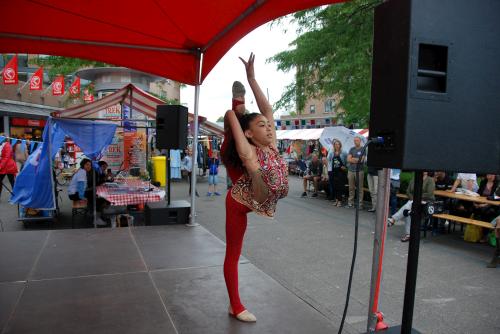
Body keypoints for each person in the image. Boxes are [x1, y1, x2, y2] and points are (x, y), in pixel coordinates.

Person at [220, 53, 289, 323]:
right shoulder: (248, 149)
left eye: (269, 126)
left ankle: (241, 109)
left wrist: (252, 78)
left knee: (242, 162)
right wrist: (234, 113)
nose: (269, 128)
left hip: (255, 190)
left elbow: (268, 110)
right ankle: (235, 305)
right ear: (250, 133)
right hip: (239, 201)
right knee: (233, 253)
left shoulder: (270, 144)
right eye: (262, 126)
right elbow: (240, 137)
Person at [387, 172, 435, 242]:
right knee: (409, 212)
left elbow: (429, 193)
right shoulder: (414, 179)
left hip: (426, 202)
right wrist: (414, 198)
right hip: (413, 201)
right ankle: (408, 235)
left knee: (409, 206)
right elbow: (408, 191)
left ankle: (393, 219)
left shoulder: (430, 180)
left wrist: (417, 197)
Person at [347, 136, 365, 208]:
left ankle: (360, 204)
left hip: (359, 171)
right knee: (351, 187)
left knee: (360, 188)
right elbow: (348, 159)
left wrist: (353, 159)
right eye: (354, 140)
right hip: (351, 170)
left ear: (360, 141)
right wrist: (356, 159)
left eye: (357, 140)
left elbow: (361, 160)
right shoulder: (352, 149)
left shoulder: (363, 149)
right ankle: (350, 202)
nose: (355, 142)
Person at [327, 139, 347, 207]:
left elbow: (347, 161)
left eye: (338, 144)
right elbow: (328, 159)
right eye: (335, 144)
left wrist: (345, 167)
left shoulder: (343, 152)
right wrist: (331, 151)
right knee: (334, 186)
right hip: (334, 171)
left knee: (340, 186)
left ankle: (340, 201)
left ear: (340, 145)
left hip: (341, 171)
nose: (337, 146)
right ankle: (336, 200)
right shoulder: (332, 152)